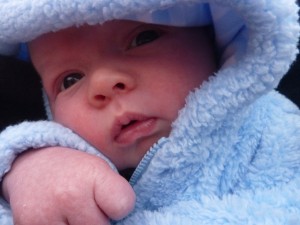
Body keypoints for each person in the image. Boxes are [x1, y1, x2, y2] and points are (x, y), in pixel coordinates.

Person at [0, 0, 300, 224]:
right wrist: (28, 170)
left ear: (215, 44)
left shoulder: (279, 134)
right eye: (70, 80)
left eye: (142, 38)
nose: (103, 84)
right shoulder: (55, 157)